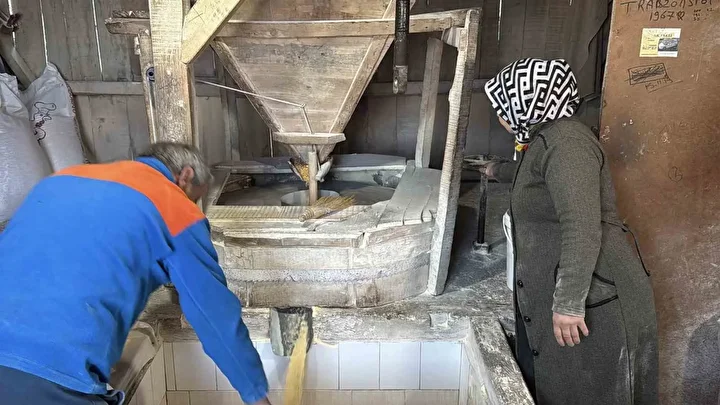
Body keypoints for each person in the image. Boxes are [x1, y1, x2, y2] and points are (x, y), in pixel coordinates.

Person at [0, 143, 272, 405]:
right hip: (51, 373)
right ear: (186, 176)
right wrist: (256, 395)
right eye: (194, 198)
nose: (192, 205)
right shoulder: (173, 206)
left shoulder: (60, 180)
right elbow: (213, 315)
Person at [482, 59, 658, 404]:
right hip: (582, 285)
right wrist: (496, 170)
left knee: (593, 390)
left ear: (527, 101)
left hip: (595, 295)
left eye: (502, 106)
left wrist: (568, 303)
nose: (500, 116)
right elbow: (538, 178)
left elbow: (581, 226)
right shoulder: (548, 139)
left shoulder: (567, 144)